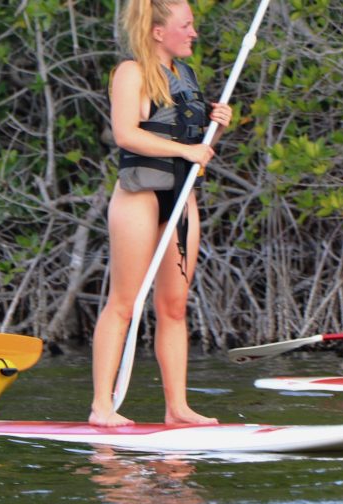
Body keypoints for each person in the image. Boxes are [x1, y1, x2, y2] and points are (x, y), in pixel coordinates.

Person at [90, 0, 232, 427]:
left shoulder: (185, 76)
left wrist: (216, 128)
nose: (193, 33)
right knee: (124, 303)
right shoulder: (130, 72)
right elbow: (126, 133)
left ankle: (178, 408)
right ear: (158, 32)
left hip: (181, 197)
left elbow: (197, 146)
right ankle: (102, 406)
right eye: (186, 26)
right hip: (140, 195)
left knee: (174, 307)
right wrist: (186, 149)